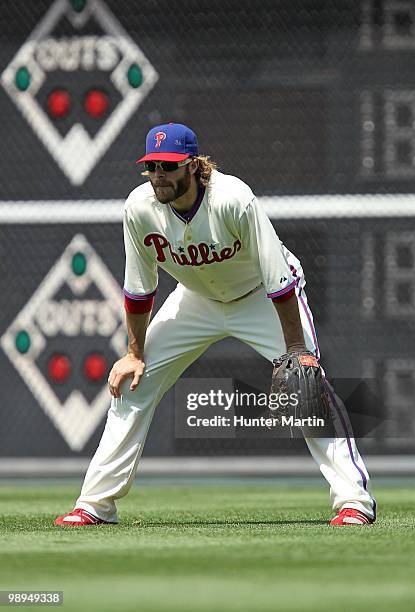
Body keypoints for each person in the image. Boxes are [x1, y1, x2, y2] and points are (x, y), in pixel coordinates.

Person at [55, 123, 376, 527]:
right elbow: (139, 291)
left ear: (193, 165)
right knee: (132, 384)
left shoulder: (233, 199)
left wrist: (297, 352)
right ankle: (95, 505)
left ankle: (354, 502)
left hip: (261, 296)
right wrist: (134, 354)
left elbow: (280, 280)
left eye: (168, 166)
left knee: (307, 390)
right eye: (152, 166)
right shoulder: (139, 209)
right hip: (195, 301)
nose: (159, 175)